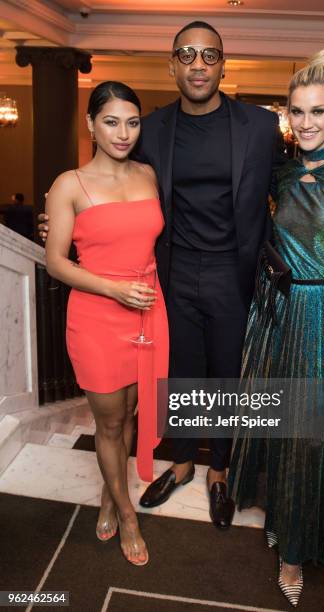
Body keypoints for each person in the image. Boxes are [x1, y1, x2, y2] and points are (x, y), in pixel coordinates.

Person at [38, 21, 324, 531]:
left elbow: (299, 180)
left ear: (223, 65)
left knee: (227, 375)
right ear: (173, 66)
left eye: (209, 55)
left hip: (236, 270)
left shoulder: (257, 125)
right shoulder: (152, 128)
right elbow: (109, 181)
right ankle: (182, 462)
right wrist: (60, 218)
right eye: (187, 54)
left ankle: (220, 471)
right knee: (182, 371)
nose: (198, 64)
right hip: (171, 271)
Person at [228, 49, 324, 607]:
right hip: (275, 315)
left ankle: (294, 551)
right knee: (278, 430)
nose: (307, 123)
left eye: (318, 111)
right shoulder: (286, 167)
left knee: (311, 442)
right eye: (297, 112)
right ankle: (285, 524)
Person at [44, 81, 168, 566]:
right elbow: (56, 261)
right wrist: (114, 288)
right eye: (112, 121)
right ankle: (128, 514)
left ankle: (108, 491)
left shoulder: (149, 175)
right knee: (109, 420)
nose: (123, 132)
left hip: (148, 310)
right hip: (98, 315)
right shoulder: (69, 183)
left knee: (132, 413)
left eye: (133, 122)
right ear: (91, 125)